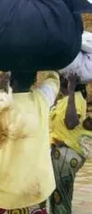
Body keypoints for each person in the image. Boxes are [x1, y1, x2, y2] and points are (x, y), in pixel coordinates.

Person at [0, 71, 60, 214]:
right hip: (37, 189)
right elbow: (54, 79)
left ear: (9, 80)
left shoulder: (0, 105)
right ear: (34, 79)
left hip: (5, 191)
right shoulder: (43, 99)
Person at [49, 74, 92, 213]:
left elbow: (71, 122)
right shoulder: (66, 100)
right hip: (61, 156)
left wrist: (72, 89)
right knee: (57, 198)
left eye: (62, 77)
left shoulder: (77, 98)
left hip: (65, 156)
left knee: (61, 200)